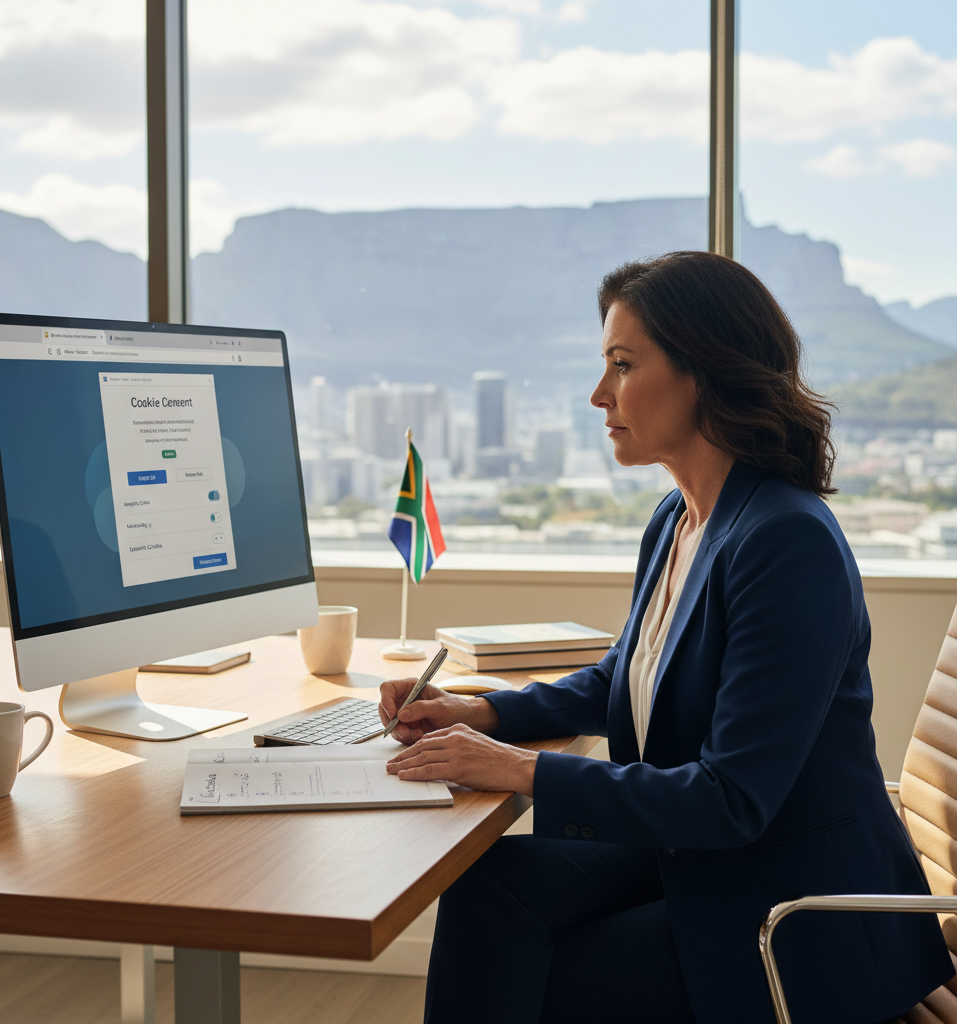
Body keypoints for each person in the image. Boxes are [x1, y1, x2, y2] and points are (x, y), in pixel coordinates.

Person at [378, 251, 954, 1024]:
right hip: (711, 862)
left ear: (702, 374)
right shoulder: (680, 518)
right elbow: (627, 676)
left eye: (622, 364)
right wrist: (480, 716)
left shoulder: (787, 543)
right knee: (494, 882)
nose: (598, 395)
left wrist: (519, 770)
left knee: (543, 977)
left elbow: (731, 799)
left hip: (793, 911)